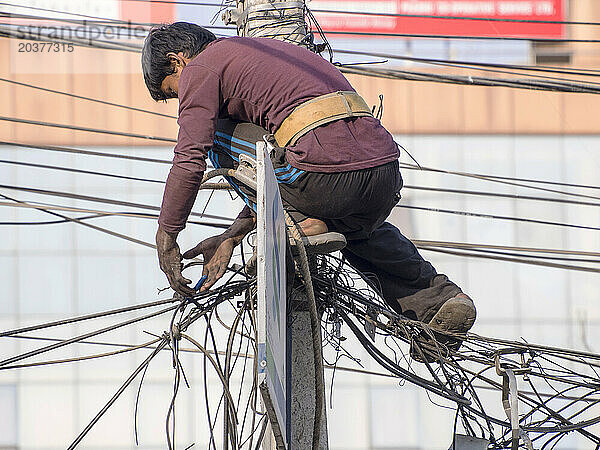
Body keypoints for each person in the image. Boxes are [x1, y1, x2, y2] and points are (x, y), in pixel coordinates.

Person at [142, 22, 476, 340]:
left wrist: (166, 235)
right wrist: (231, 236)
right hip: (383, 174)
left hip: (322, 173)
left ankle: (300, 220)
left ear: (177, 60)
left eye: (173, 91)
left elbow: (191, 156)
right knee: (351, 231)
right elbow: (269, 165)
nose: (181, 99)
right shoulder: (267, 52)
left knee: (209, 134)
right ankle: (438, 301)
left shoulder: (202, 67)